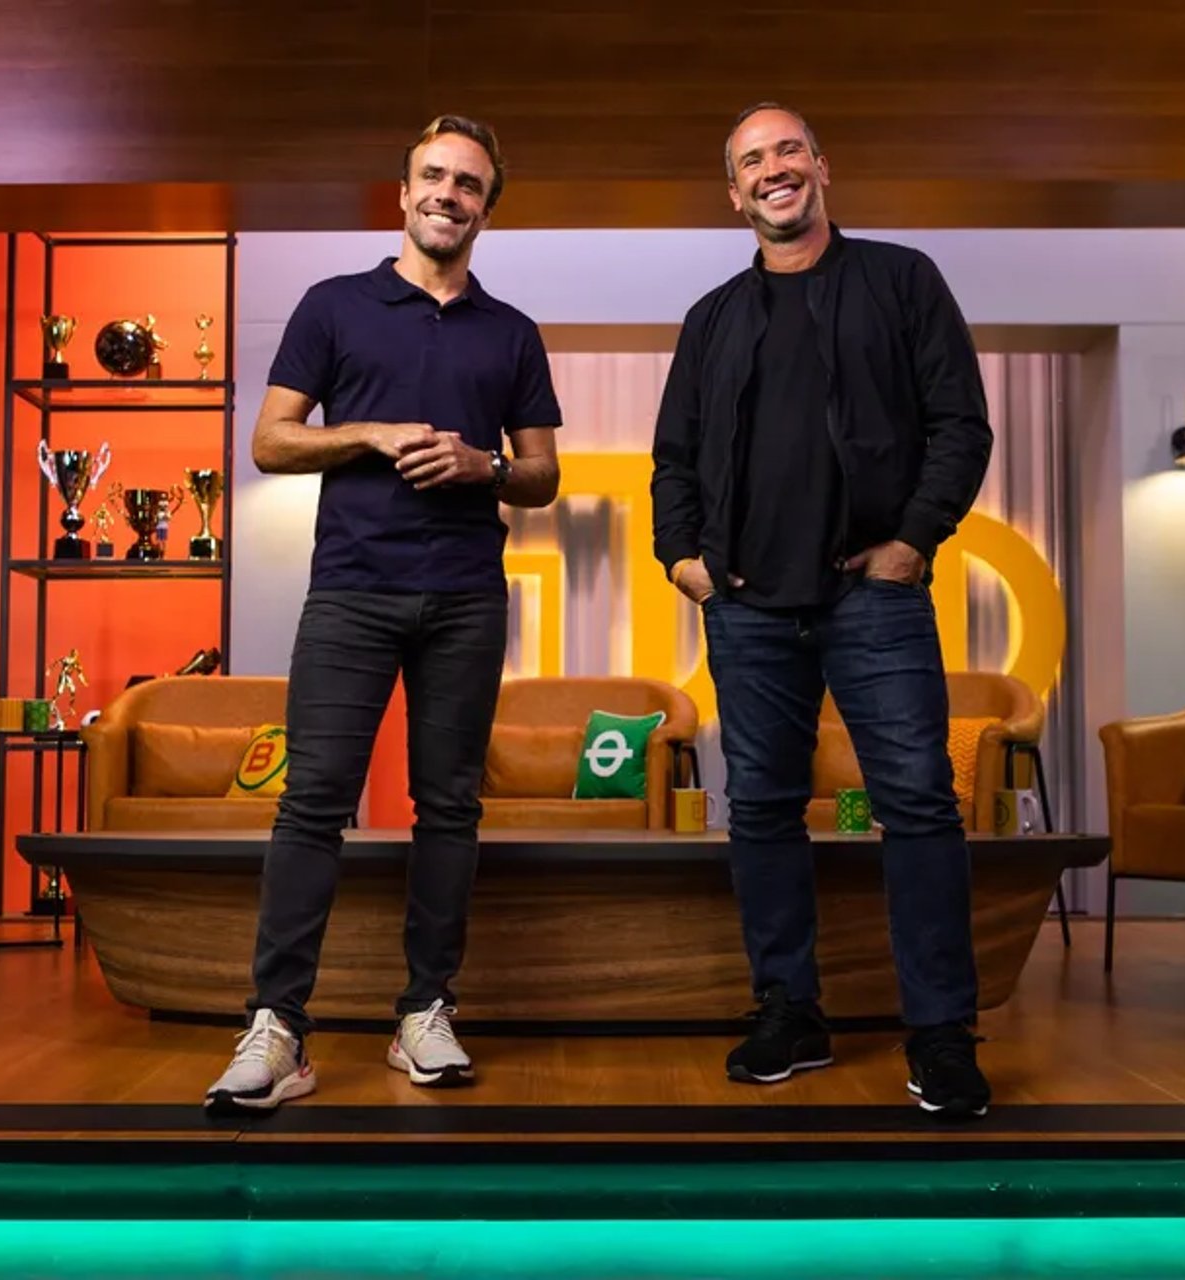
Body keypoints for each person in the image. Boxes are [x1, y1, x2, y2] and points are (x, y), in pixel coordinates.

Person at [206, 114, 562, 1115]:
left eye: (469, 184)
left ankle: (424, 1013)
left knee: (449, 806)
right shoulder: (334, 306)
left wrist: (485, 463)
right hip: (351, 592)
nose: (449, 194)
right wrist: (367, 434)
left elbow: (542, 473)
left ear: (487, 208)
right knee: (312, 802)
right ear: (404, 194)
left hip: (466, 596)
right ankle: (278, 1028)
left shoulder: (511, 332)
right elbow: (271, 442)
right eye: (433, 177)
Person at [650, 103, 995, 1116]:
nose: (775, 169)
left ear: (822, 166)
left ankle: (941, 1033)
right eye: (753, 160)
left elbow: (960, 424)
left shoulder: (902, 280)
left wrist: (912, 542)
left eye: (788, 150)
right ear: (735, 193)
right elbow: (674, 456)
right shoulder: (712, 318)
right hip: (747, 607)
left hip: (871, 594)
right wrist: (684, 561)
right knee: (761, 809)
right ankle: (789, 1012)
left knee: (918, 805)